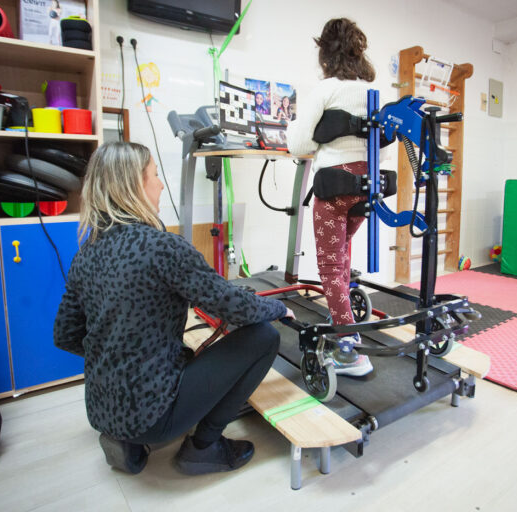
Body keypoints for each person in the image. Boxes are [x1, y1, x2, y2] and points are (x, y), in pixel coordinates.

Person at [54, 142, 294, 475]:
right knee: (264, 336)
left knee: (182, 354)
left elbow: (65, 335)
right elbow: (234, 307)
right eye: (154, 175)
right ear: (135, 184)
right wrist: (277, 308)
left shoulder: (86, 254)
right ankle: (204, 448)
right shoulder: (162, 247)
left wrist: (119, 355)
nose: (161, 184)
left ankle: (127, 440)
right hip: (151, 414)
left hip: (101, 410)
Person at [286, 18, 378, 377]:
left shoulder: (325, 90)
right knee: (341, 255)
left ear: (325, 53)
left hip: (333, 188)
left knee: (329, 267)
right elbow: (381, 149)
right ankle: (343, 314)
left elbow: (299, 144)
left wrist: (293, 126)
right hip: (365, 187)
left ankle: (350, 350)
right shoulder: (372, 92)